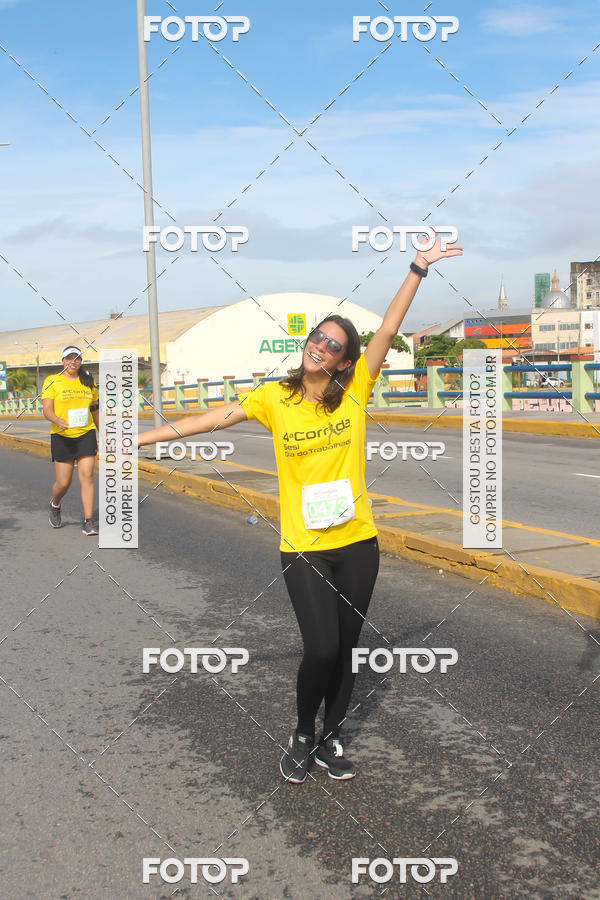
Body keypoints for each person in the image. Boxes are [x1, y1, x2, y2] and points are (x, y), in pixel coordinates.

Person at [136, 237, 462, 782]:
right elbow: (207, 420)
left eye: (334, 345)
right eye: (318, 337)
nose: (322, 347)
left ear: (345, 359)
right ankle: (303, 732)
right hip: (304, 545)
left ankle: (332, 737)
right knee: (322, 648)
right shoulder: (274, 398)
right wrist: (137, 440)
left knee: (348, 650)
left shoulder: (355, 390)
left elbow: (386, 329)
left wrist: (417, 268)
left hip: (357, 543)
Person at [42, 346, 100, 535]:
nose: (73, 362)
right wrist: (56, 420)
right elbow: (47, 409)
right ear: (63, 361)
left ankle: (88, 521)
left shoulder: (89, 381)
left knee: (87, 476)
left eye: (77, 358)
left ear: (81, 361)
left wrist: (104, 433)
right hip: (62, 436)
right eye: (69, 358)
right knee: (63, 482)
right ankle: (55, 503)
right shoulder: (52, 381)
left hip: (86, 434)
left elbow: (95, 409)